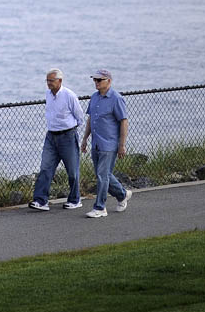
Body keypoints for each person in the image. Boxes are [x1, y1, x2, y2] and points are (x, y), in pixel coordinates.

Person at [28, 68, 87, 211]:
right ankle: (41, 201)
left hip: (67, 136)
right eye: (47, 81)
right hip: (51, 137)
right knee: (45, 168)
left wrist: (70, 131)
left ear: (60, 81)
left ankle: (75, 199)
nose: (48, 84)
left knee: (72, 171)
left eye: (51, 81)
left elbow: (80, 118)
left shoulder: (69, 96)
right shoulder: (48, 94)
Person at [80, 68, 132, 218]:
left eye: (99, 80)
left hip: (109, 145)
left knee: (103, 176)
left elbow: (123, 121)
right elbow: (91, 119)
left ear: (108, 81)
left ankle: (100, 207)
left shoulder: (116, 98)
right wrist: (85, 139)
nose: (96, 83)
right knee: (103, 175)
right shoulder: (94, 97)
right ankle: (122, 195)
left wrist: (122, 145)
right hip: (96, 144)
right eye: (94, 80)